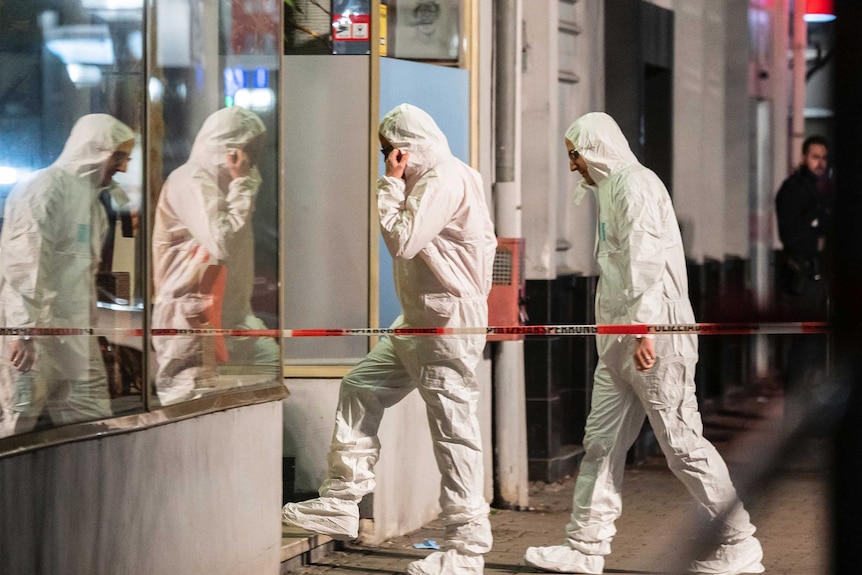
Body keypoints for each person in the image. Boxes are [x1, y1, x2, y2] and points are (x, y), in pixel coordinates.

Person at [523, 113, 764, 575]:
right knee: (601, 443)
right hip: (621, 342)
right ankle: (585, 547)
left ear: (595, 150)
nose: (572, 165)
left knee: (681, 445)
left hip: (652, 340)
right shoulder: (612, 191)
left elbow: (645, 261)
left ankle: (739, 541)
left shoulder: (634, 186)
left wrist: (643, 329)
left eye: (575, 154)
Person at [282, 103, 497, 575]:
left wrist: (390, 182)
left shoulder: (442, 179)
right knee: (361, 387)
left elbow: (403, 239)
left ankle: (467, 549)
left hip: (443, 327)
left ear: (404, 149)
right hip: (420, 321)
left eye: (389, 151)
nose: (387, 158)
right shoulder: (450, 175)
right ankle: (342, 500)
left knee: (455, 433)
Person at [0, 113, 136, 437]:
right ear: (94, 149)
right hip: (35, 341)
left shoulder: (94, 206)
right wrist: (23, 332)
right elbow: (24, 263)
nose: (123, 167)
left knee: (92, 430)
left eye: (126, 158)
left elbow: (83, 278)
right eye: (118, 156)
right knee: (15, 430)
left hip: (75, 341)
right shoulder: (46, 188)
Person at [152, 106, 280, 406]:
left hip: (235, 319)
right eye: (248, 148)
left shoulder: (230, 184)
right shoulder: (189, 181)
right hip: (193, 325)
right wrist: (242, 184)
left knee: (266, 381)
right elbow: (222, 241)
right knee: (194, 412)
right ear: (227, 149)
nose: (253, 157)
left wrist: (242, 183)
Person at [774, 135, 830, 429]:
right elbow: (792, 236)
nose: (819, 163)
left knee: (819, 348)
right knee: (803, 347)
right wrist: (817, 223)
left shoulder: (824, 190)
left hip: (822, 277)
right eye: (815, 157)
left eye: (823, 157)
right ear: (804, 157)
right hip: (803, 279)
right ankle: (794, 417)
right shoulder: (794, 190)